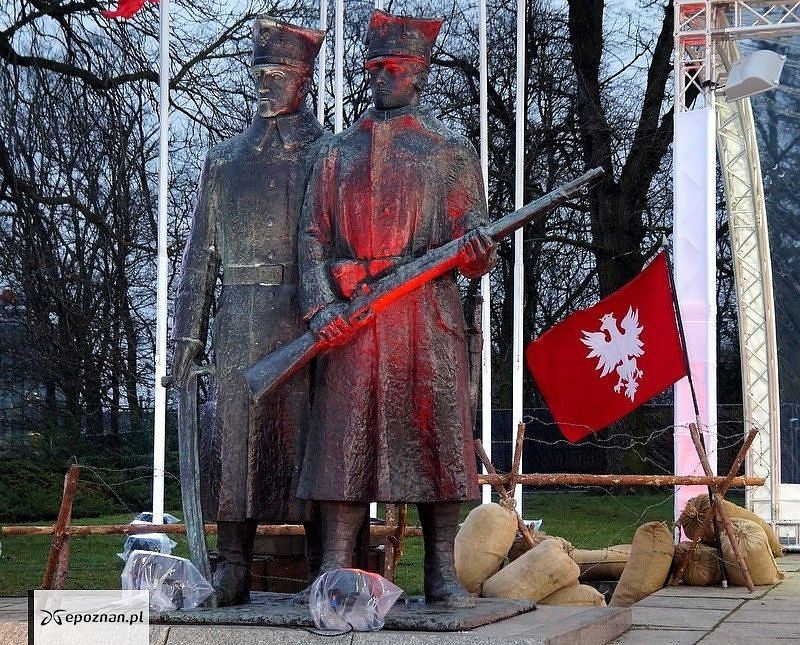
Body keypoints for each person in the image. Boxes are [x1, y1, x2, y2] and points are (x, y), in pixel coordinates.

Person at [297, 9, 496, 606]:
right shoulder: (335, 153)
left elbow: (473, 246)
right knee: (343, 446)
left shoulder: (451, 151)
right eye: (372, 67)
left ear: (420, 73)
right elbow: (311, 240)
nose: (380, 77)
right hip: (356, 319)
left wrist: (479, 252)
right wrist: (319, 307)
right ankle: (334, 574)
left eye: (393, 67)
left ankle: (440, 570)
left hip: (424, 320)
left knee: (435, 444)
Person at [171, 16, 326, 606]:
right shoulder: (224, 160)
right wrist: (187, 341)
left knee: (309, 442)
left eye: (278, 72)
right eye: (258, 72)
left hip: (302, 315)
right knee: (233, 445)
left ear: (303, 79)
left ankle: (324, 564)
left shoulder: (323, 154)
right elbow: (198, 260)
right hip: (236, 317)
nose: (264, 83)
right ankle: (232, 563)